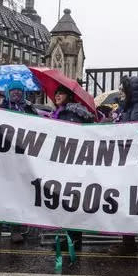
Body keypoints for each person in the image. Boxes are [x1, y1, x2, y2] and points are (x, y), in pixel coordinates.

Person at [0, 81, 34, 246]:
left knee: (17, 195)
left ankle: (15, 230)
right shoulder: (0, 109)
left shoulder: (28, 109)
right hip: (1, 158)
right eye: (13, 91)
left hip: (21, 158)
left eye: (19, 91)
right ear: (8, 92)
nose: (16, 93)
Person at [49, 85, 94, 251]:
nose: (57, 95)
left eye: (61, 93)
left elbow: (70, 137)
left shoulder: (70, 113)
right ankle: (71, 239)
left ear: (68, 95)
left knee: (71, 201)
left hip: (72, 163)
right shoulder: (61, 112)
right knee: (68, 201)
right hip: (65, 163)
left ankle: (73, 240)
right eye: (56, 93)